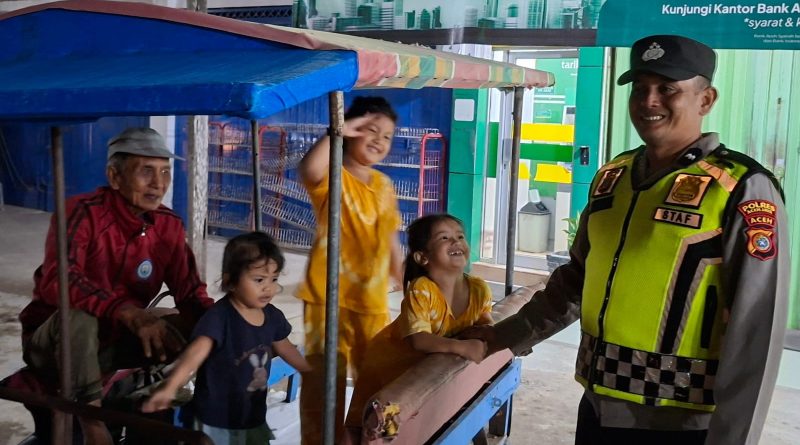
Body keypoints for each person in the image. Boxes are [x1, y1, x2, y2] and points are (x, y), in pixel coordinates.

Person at [464, 35, 788, 445]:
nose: (649, 100)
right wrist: (502, 336)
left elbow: (757, 331)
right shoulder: (613, 176)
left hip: (681, 424)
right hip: (597, 408)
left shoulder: (740, 187)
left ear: (705, 100)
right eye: (640, 88)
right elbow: (575, 281)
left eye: (667, 89)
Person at [19, 127, 214, 445]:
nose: (159, 183)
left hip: (115, 342)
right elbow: (60, 280)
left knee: (200, 326)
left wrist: (231, 324)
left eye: (165, 171)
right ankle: (92, 422)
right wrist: (127, 312)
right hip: (57, 345)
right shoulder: (82, 213)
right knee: (80, 317)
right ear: (114, 176)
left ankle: (176, 405)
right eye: (146, 171)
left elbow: (190, 293)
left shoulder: (168, 225)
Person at [296, 96, 404, 444]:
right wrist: (339, 129)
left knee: (377, 380)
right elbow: (308, 169)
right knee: (322, 382)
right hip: (325, 299)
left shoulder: (384, 186)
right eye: (371, 130)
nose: (379, 141)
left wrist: (407, 283)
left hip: (371, 300)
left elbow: (391, 241)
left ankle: (365, 440)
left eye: (387, 136)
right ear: (352, 130)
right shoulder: (333, 175)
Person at [142, 231, 311, 444]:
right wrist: (170, 387)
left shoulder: (272, 316)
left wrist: (308, 370)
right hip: (216, 420)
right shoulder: (220, 317)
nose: (268, 287)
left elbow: (285, 347)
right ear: (230, 281)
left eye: (274, 279)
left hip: (252, 416)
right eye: (259, 279)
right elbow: (195, 354)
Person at [342, 214, 492, 441]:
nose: (456, 242)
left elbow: (486, 322)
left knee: (412, 422)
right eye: (444, 238)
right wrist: (462, 347)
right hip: (388, 367)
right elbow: (419, 339)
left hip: (422, 368)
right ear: (423, 257)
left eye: (460, 236)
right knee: (375, 427)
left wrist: (496, 334)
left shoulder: (479, 289)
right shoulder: (422, 290)